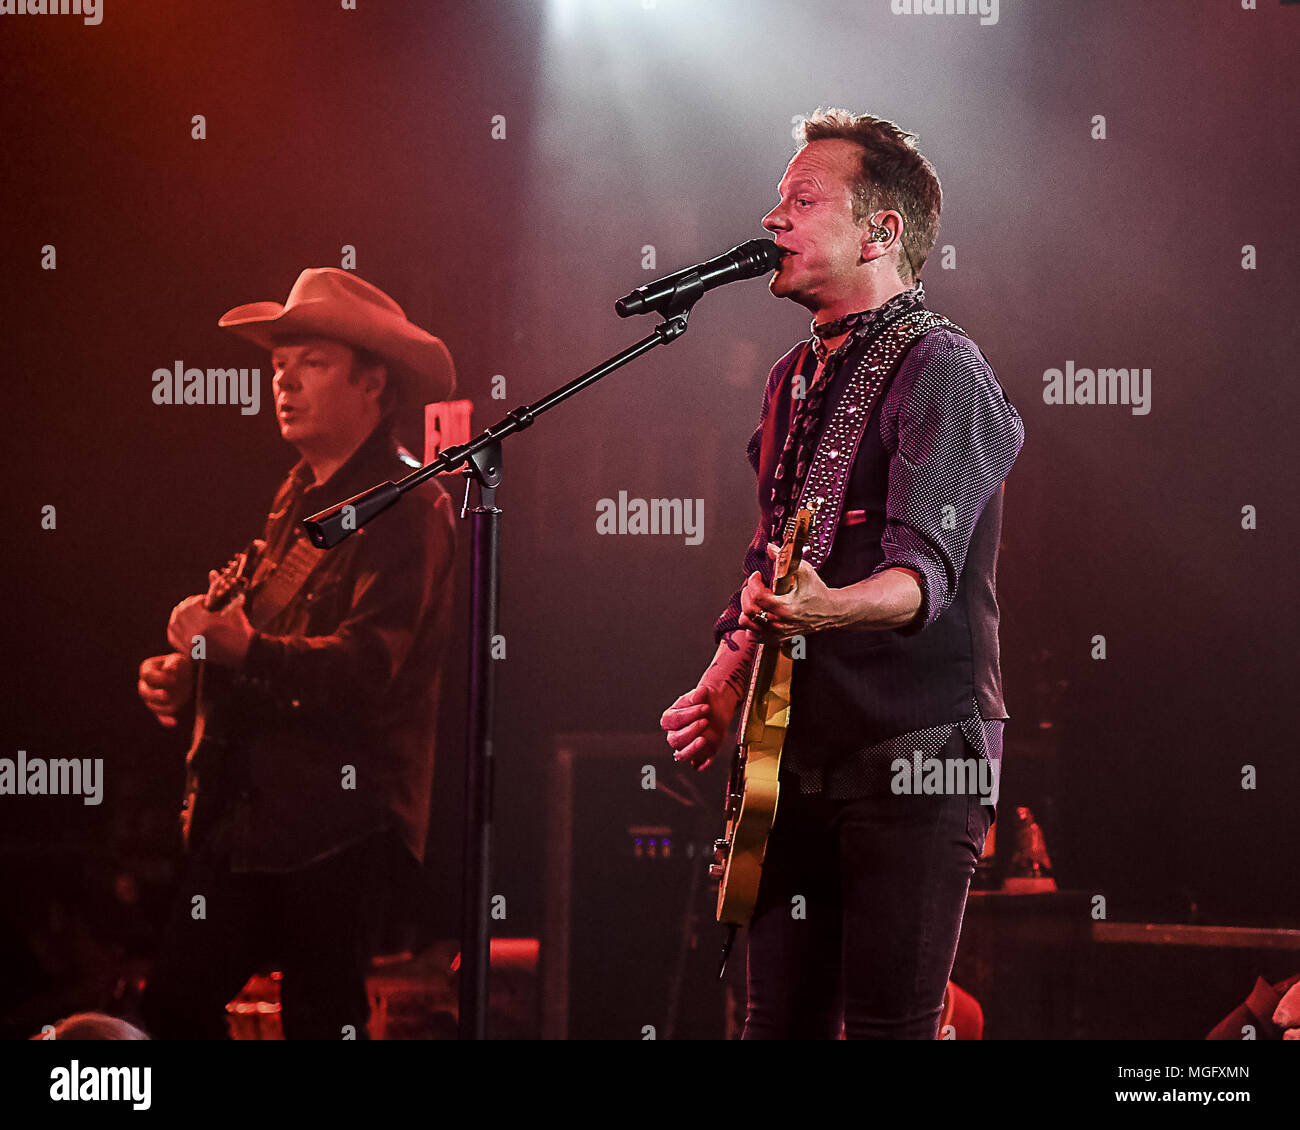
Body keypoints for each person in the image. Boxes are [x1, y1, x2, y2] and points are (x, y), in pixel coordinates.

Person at [661, 109, 1024, 1039]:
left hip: (914, 761)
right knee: (772, 1025)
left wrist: (825, 610)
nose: (773, 219)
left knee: (886, 1029)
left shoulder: (944, 367)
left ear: (881, 230)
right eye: (776, 200)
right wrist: (724, 672)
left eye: (801, 199)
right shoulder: (790, 378)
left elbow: (921, 575)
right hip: (797, 766)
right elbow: (774, 562)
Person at [135, 268, 457, 1039]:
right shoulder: (293, 498)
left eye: (310, 363)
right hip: (250, 820)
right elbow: (264, 640)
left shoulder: (411, 506)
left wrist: (245, 650)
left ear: (373, 384)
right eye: (279, 367)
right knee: (172, 1004)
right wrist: (196, 672)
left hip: (340, 825)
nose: (284, 382)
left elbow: (366, 668)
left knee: (321, 1022)